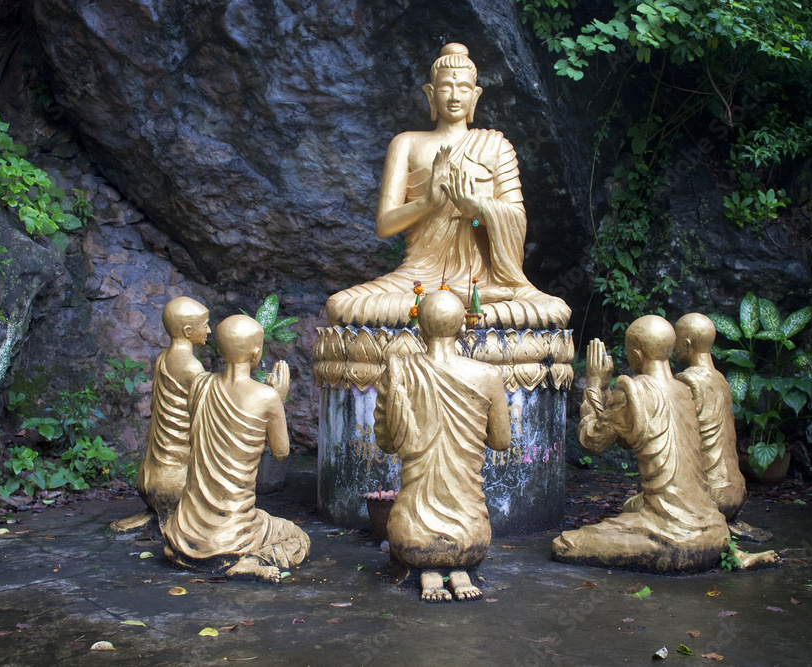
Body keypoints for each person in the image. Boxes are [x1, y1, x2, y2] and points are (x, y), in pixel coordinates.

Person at [325, 43, 570, 330]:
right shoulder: (406, 144)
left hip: (482, 280)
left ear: (475, 95)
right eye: (446, 88)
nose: (455, 96)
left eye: (464, 88)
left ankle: (459, 305)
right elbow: (384, 225)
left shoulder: (495, 145)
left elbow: (516, 219)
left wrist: (476, 209)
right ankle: (459, 310)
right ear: (430, 93)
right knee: (341, 306)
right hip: (417, 281)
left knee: (555, 310)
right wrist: (427, 202)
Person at [552, 316, 778, 572]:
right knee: (632, 507)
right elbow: (629, 436)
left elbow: (591, 441)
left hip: (675, 539)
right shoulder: (684, 391)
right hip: (716, 529)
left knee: (565, 544)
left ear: (636, 355)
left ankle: (681, 549)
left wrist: (595, 384)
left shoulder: (632, 392)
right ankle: (731, 554)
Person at [374, 291, 510, 601]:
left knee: (412, 536)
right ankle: (459, 572)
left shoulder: (399, 371)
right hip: (472, 537)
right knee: (466, 541)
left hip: (410, 536)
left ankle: (429, 573)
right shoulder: (488, 375)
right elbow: (501, 442)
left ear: (418, 327)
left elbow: (386, 443)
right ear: (463, 327)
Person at [162, 315, 309, 582]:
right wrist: (279, 399)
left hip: (184, 535)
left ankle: (197, 553)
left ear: (219, 349)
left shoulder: (200, 385)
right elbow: (281, 453)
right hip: (235, 529)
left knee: (263, 517)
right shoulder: (266, 397)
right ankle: (250, 561)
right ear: (256, 352)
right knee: (298, 538)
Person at [109, 296, 209, 533]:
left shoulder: (163, 358)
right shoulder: (191, 366)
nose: (209, 330)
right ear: (187, 330)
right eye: (205, 324)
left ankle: (159, 513)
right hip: (176, 481)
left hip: (150, 475)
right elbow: (205, 418)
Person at [674, 313, 746, 521]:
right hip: (736, 491)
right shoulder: (721, 380)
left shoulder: (687, 380)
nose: (673, 347)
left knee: (636, 506)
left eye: (676, 340)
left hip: (708, 495)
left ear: (687, 344)